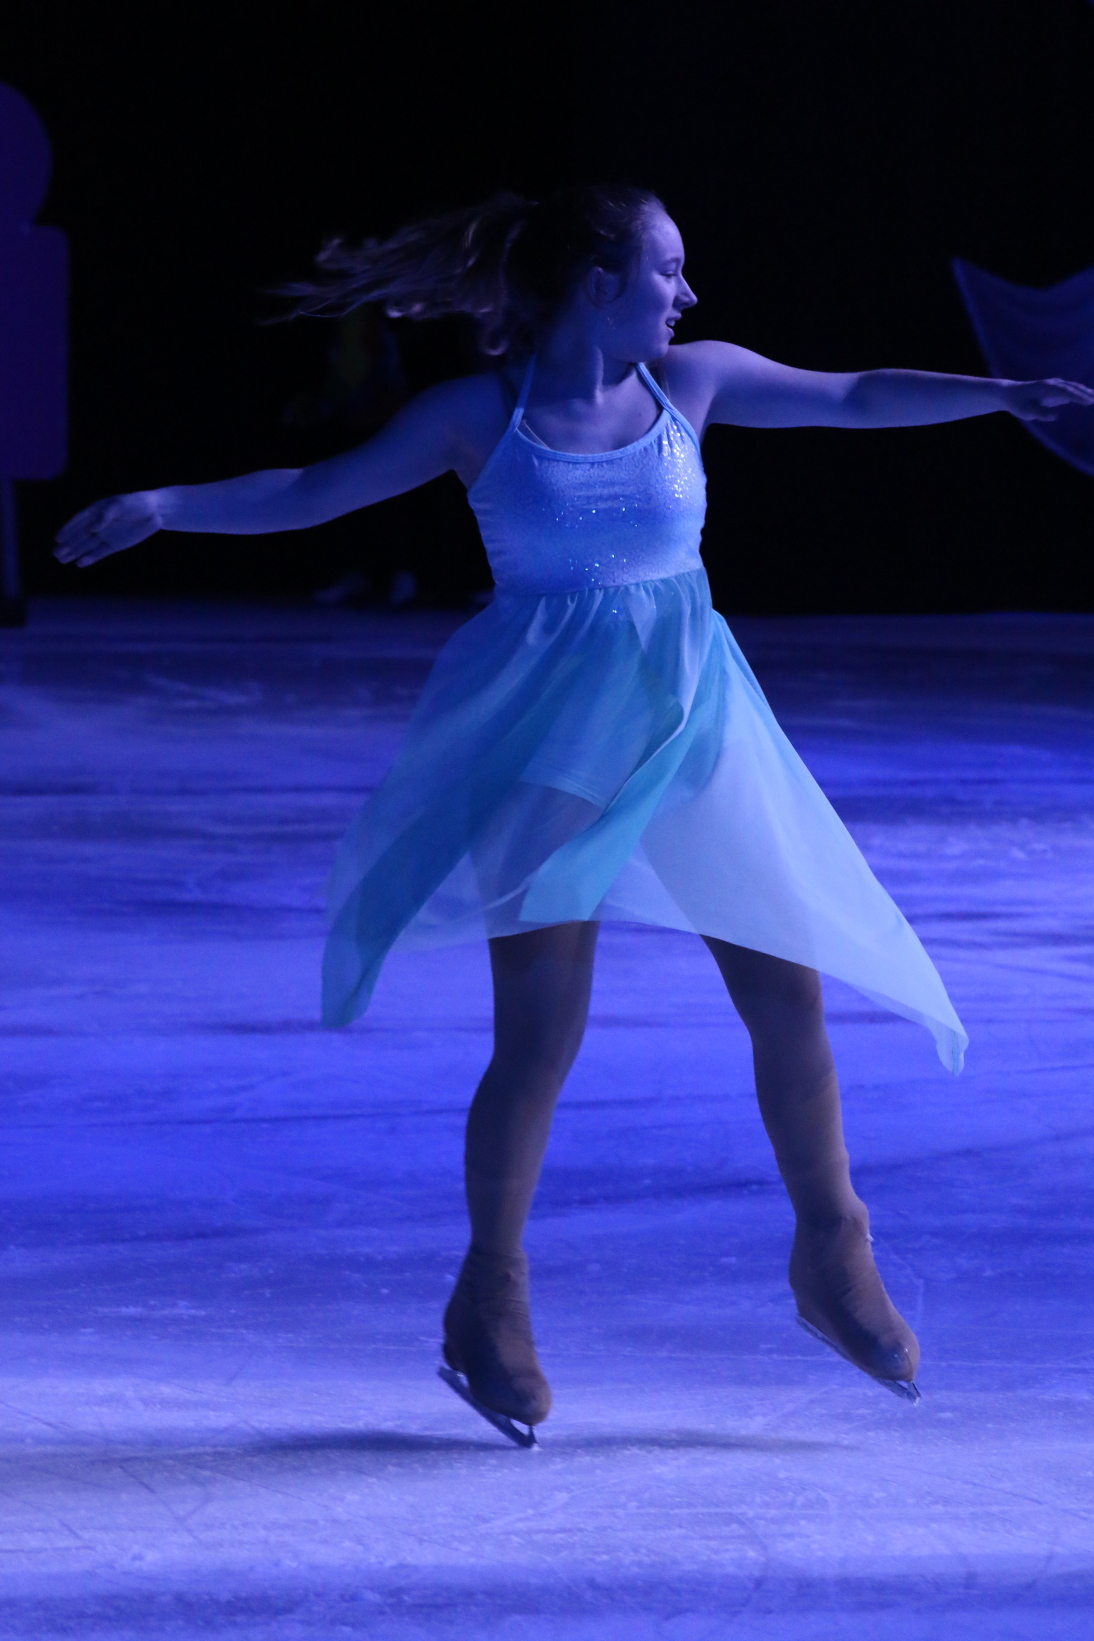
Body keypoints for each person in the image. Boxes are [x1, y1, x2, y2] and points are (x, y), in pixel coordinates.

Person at [55, 186, 1094, 1446]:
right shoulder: (477, 415)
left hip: (697, 726)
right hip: (546, 739)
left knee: (787, 995)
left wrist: (1001, 394)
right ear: (599, 283)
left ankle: (832, 1247)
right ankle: (487, 1296)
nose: (686, 293)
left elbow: (853, 393)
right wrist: (167, 504)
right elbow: (316, 490)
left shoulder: (691, 385)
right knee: (540, 1035)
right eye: (667, 270)